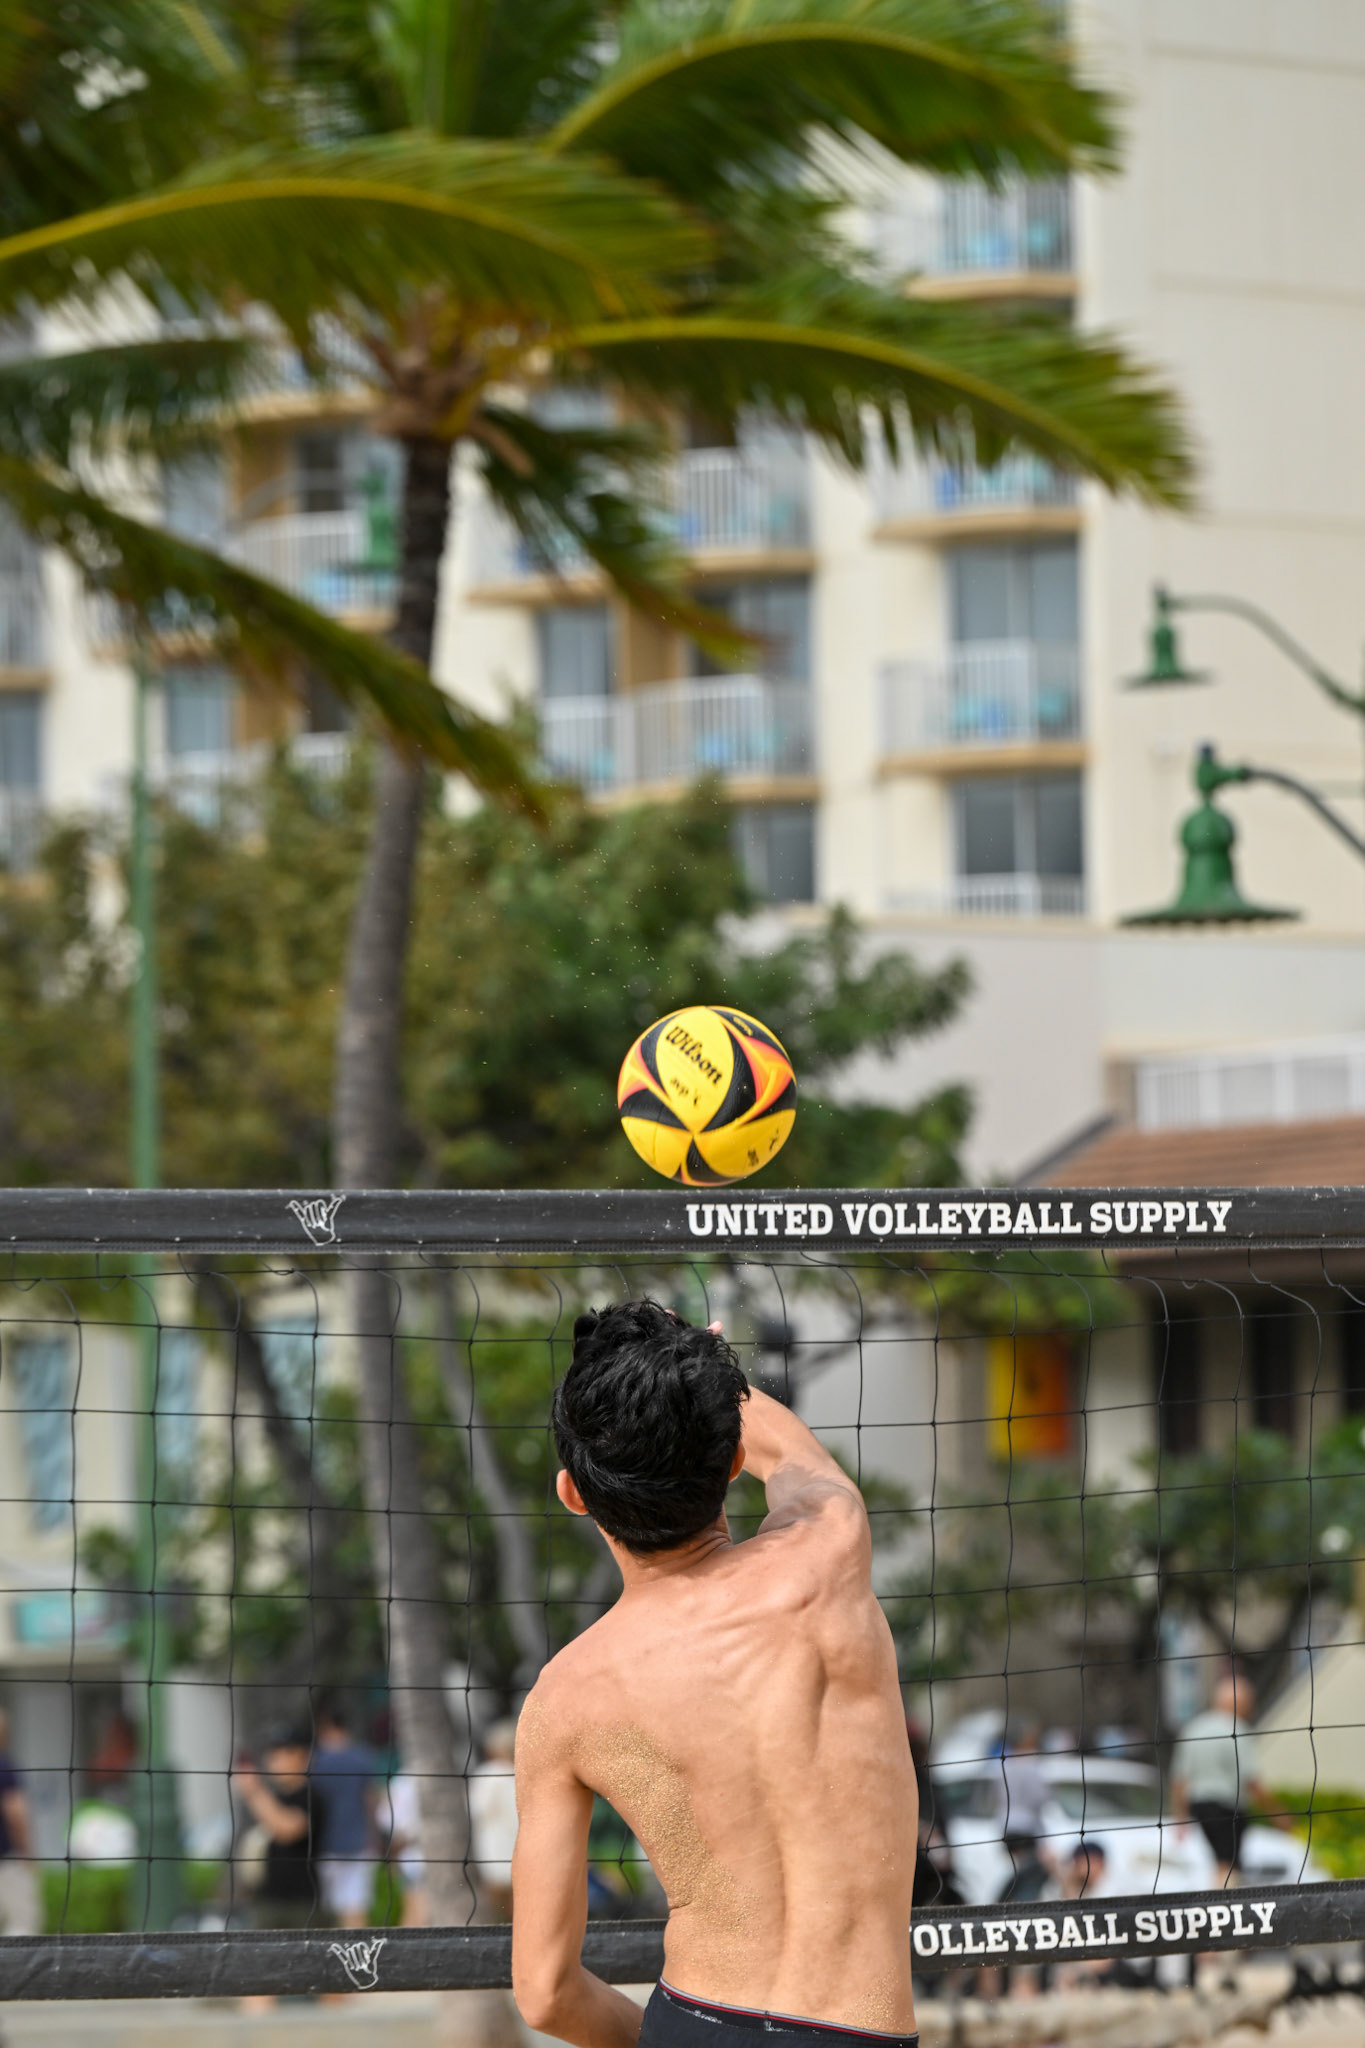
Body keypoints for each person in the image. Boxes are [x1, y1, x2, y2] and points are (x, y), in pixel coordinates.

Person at [512, 1301, 919, 2048]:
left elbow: (543, 1995)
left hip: (690, 2023)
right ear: (729, 1462)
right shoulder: (826, 1552)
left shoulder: (563, 1700)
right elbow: (784, 1449)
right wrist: (692, 1355)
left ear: (572, 1494)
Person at [234, 1727, 323, 2014]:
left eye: (284, 1753)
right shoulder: (275, 1796)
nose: (276, 1760)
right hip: (268, 1898)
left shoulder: (312, 1796)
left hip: (303, 1901)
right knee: (258, 1971)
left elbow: (287, 1829)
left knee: (321, 1974)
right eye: (273, 1754)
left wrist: (254, 1791)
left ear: (303, 1757)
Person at [1171, 1669, 1263, 1884]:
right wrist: (1279, 1813)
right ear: (1239, 1703)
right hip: (1227, 1808)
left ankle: (1223, 1898)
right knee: (1228, 1862)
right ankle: (1224, 1903)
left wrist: (1180, 1819)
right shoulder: (1237, 1728)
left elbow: (1179, 1780)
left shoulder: (1193, 1728)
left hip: (1200, 1807)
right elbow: (1252, 1781)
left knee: (1222, 1861)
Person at [309, 1699, 377, 1928]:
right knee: (355, 1909)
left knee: (325, 1912)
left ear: (324, 1727)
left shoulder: (315, 1762)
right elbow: (372, 1802)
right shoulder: (362, 1758)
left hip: (324, 1844)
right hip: (358, 1842)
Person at [469, 1719, 519, 1921]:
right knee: (519, 1901)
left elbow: (475, 1810)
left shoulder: (488, 1773)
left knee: (495, 1903)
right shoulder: (526, 1772)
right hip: (520, 1846)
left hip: (494, 1847)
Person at [0, 1711, 39, 1937]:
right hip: (8, 1859)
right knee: (22, 1926)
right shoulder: (5, 1766)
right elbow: (17, 1812)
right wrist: (28, 1852)